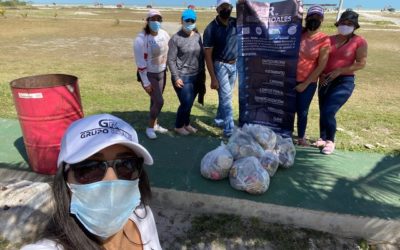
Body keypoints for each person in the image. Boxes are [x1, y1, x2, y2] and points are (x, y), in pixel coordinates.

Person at [21, 114, 162, 250]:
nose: (111, 179)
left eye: (126, 165)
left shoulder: (143, 216)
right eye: (90, 168)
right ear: (64, 180)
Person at [317, 10, 368, 154]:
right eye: (343, 22)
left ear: (355, 26)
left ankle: (330, 141)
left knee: (329, 110)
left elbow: (361, 63)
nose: (345, 25)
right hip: (325, 79)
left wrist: (340, 71)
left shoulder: (359, 41)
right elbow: (320, 59)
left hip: (344, 81)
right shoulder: (328, 39)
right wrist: (321, 74)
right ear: (338, 23)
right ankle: (322, 137)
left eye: (350, 23)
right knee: (323, 109)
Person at [295, 5, 330, 146]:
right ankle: (284, 133)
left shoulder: (324, 39)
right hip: (289, 79)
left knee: (302, 111)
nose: (314, 19)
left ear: (322, 20)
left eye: (318, 17)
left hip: (308, 82)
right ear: (307, 18)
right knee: (288, 109)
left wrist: (305, 84)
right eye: (312, 16)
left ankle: (301, 137)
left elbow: (321, 65)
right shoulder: (298, 34)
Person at [167, 9, 206, 136]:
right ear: (181, 21)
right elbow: (171, 60)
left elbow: (201, 56)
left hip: (196, 76)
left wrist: (202, 75)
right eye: (187, 20)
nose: (189, 22)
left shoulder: (197, 36)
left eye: (192, 20)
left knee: (190, 103)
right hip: (182, 76)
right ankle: (178, 126)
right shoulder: (175, 39)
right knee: (186, 102)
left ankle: (187, 124)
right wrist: (176, 77)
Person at [134, 9, 170, 139]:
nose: (156, 22)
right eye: (153, 19)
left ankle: (155, 124)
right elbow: (140, 62)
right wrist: (146, 82)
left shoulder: (164, 34)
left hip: (161, 72)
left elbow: (168, 52)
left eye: (158, 19)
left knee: (154, 100)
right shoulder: (141, 39)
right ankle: (149, 128)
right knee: (159, 101)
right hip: (149, 74)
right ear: (147, 21)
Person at [203, 0, 238, 137]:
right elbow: (207, 55)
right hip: (220, 65)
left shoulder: (235, 23)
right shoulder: (211, 28)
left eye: (228, 7)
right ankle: (229, 129)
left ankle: (219, 120)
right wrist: (213, 78)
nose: (226, 9)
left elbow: (248, 16)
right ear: (217, 9)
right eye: (223, 7)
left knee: (224, 97)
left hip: (234, 64)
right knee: (227, 98)